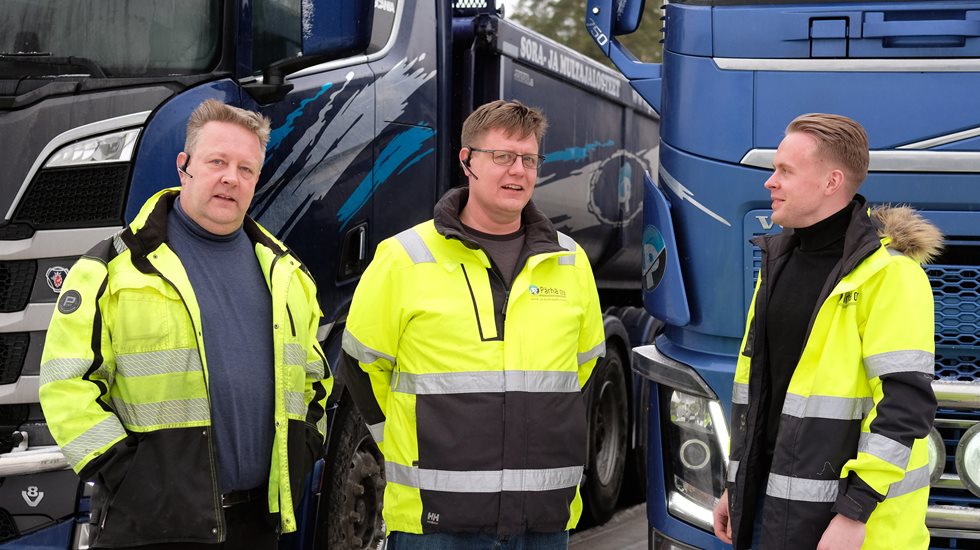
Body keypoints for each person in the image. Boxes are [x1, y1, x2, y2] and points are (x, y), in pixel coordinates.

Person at [39, 99, 331, 549]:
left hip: (257, 525)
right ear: (184, 166)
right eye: (217, 161)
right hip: (149, 527)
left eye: (246, 168)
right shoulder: (114, 268)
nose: (231, 177)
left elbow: (315, 379)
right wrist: (128, 477)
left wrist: (303, 447)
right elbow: (65, 385)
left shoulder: (287, 274)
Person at [340, 99, 605, 549]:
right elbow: (361, 367)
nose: (517, 171)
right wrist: (406, 441)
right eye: (501, 157)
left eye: (528, 159)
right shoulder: (403, 258)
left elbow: (582, 373)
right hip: (436, 525)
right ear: (467, 161)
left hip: (542, 523)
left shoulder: (570, 261)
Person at [712, 113, 942, 550]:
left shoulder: (891, 275)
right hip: (771, 511)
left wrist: (855, 513)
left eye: (785, 171)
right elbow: (764, 396)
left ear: (832, 181)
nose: (769, 183)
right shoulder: (777, 262)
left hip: (850, 527)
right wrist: (739, 487)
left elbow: (904, 406)